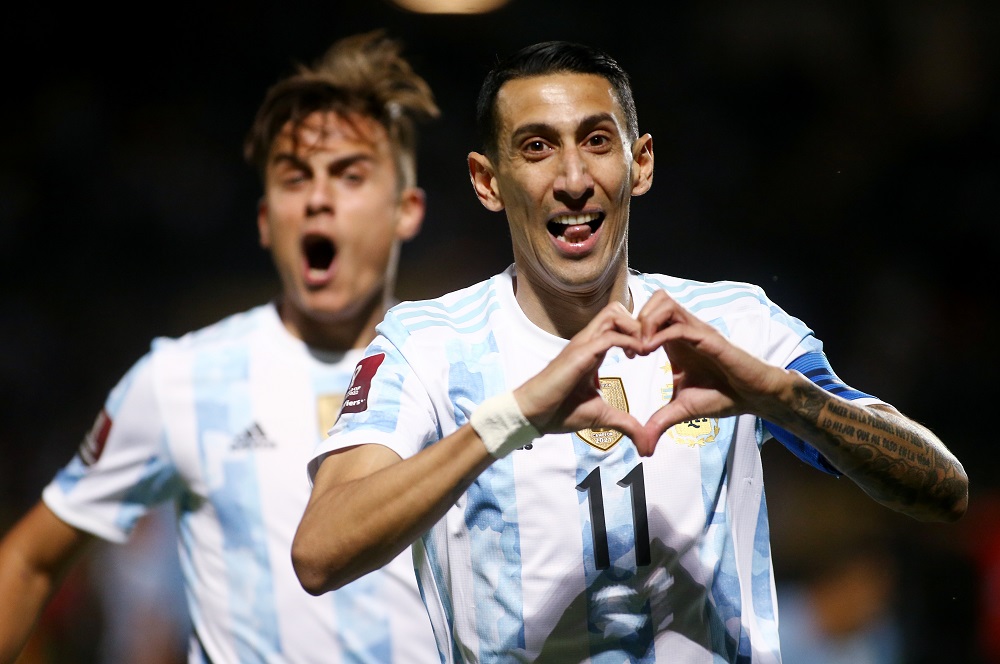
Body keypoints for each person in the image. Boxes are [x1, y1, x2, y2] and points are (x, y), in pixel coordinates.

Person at [291, 40, 969, 663]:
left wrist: (781, 396)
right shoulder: (428, 345)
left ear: (639, 162)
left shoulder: (735, 325)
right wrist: (509, 419)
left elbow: (944, 490)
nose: (573, 177)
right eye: (536, 147)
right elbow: (320, 552)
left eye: (596, 141)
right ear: (487, 181)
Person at [0, 29, 442, 664]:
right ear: (266, 219)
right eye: (295, 178)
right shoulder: (182, 378)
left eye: (350, 175)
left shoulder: (458, 366)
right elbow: (30, 560)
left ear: (407, 209)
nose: (319, 199)